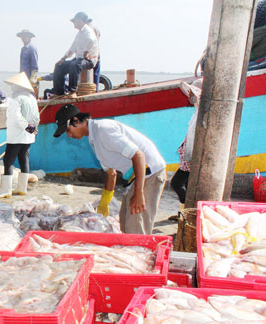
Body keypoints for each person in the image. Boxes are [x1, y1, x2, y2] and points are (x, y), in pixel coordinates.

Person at [53, 104, 166, 234]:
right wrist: (104, 203)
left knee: (135, 229)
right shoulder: (94, 139)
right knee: (124, 223)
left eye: (67, 130)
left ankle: (143, 252)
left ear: (76, 121)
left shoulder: (103, 130)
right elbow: (111, 173)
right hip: (135, 177)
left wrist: (139, 193)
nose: (68, 135)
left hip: (149, 173)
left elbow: (139, 155)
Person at [0, 72, 39, 199]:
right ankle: (22, 188)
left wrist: (27, 128)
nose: (12, 87)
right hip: (29, 135)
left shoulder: (16, 99)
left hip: (17, 134)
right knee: (24, 158)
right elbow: (36, 116)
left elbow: (16, 117)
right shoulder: (32, 98)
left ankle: (5, 190)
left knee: (8, 160)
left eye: (13, 85)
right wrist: (33, 129)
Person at [170, 78, 203, 209]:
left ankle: (186, 209)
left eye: (191, 92)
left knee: (176, 183)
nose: (188, 95)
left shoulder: (200, 112)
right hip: (188, 157)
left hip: (190, 159)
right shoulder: (196, 112)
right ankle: (186, 211)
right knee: (189, 186)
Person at [52, 12, 99, 97]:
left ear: (80, 20)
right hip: (79, 58)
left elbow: (91, 40)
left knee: (74, 65)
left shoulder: (88, 31)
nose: (74, 23)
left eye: (75, 21)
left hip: (89, 59)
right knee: (59, 65)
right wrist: (64, 58)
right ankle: (58, 92)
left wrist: (86, 51)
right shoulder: (79, 33)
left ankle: (72, 91)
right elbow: (72, 48)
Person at [88, 23, 101, 92]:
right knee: (96, 75)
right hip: (96, 53)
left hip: (90, 55)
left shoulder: (87, 30)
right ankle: (96, 91)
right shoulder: (96, 29)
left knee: (90, 75)